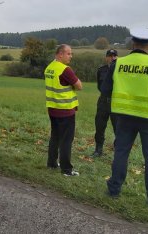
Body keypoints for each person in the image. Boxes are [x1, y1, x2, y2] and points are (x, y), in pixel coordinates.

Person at [101, 28, 148, 207]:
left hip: (123, 116)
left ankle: (114, 189)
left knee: (121, 152)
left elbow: (105, 90)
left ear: (133, 43)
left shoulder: (118, 63)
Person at [45, 44, 82, 176]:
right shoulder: (65, 70)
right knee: (66, 139)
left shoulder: (49, 68)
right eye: (69, 53)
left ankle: (52, 163)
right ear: (60, 54)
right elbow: (79, 86)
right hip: (65, 110)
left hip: (52, 109)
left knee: (55, 136)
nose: (71, 56)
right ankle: (66, 170)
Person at [91, 49, 118, 157]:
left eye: (114, 56)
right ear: (106, 57)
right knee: (99, 126)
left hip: (116, 102)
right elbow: (100, 86)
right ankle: (98, 150)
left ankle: (118, 151)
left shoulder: (120, 69)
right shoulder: (101, 70)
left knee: (118, 128)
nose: (112, 58)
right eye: (110, 56)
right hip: (103, 102)